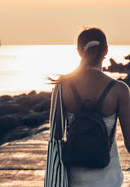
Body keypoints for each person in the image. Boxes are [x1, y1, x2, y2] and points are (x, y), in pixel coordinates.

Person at [50, 27, 130, 187]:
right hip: (109, 179)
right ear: (106, 50)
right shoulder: (119, 90)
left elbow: (57, 137)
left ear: (79, 52)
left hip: (73, 179)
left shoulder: (61, 87)